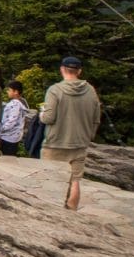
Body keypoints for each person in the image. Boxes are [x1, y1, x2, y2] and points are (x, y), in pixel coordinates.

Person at [39, 56, 102, 211]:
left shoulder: (55, 90)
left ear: (62, 69)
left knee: (50, 179)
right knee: (75, 180)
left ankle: (50, 212)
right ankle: (71, 211)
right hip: (80, 142)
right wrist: (89, 136)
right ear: (79, 71)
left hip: (55, 143)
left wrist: (41, 114)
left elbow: (49, 117)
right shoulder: (91, 90)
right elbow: (96, 118)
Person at [0, 80, 30, 157]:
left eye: (9, 90)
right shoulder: (21, 103)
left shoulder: (15, 105)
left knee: (7, 160)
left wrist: (0, 129)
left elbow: (11, 121)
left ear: (16, 92)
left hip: (8, 137)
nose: (7, 92)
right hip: (15, 136)